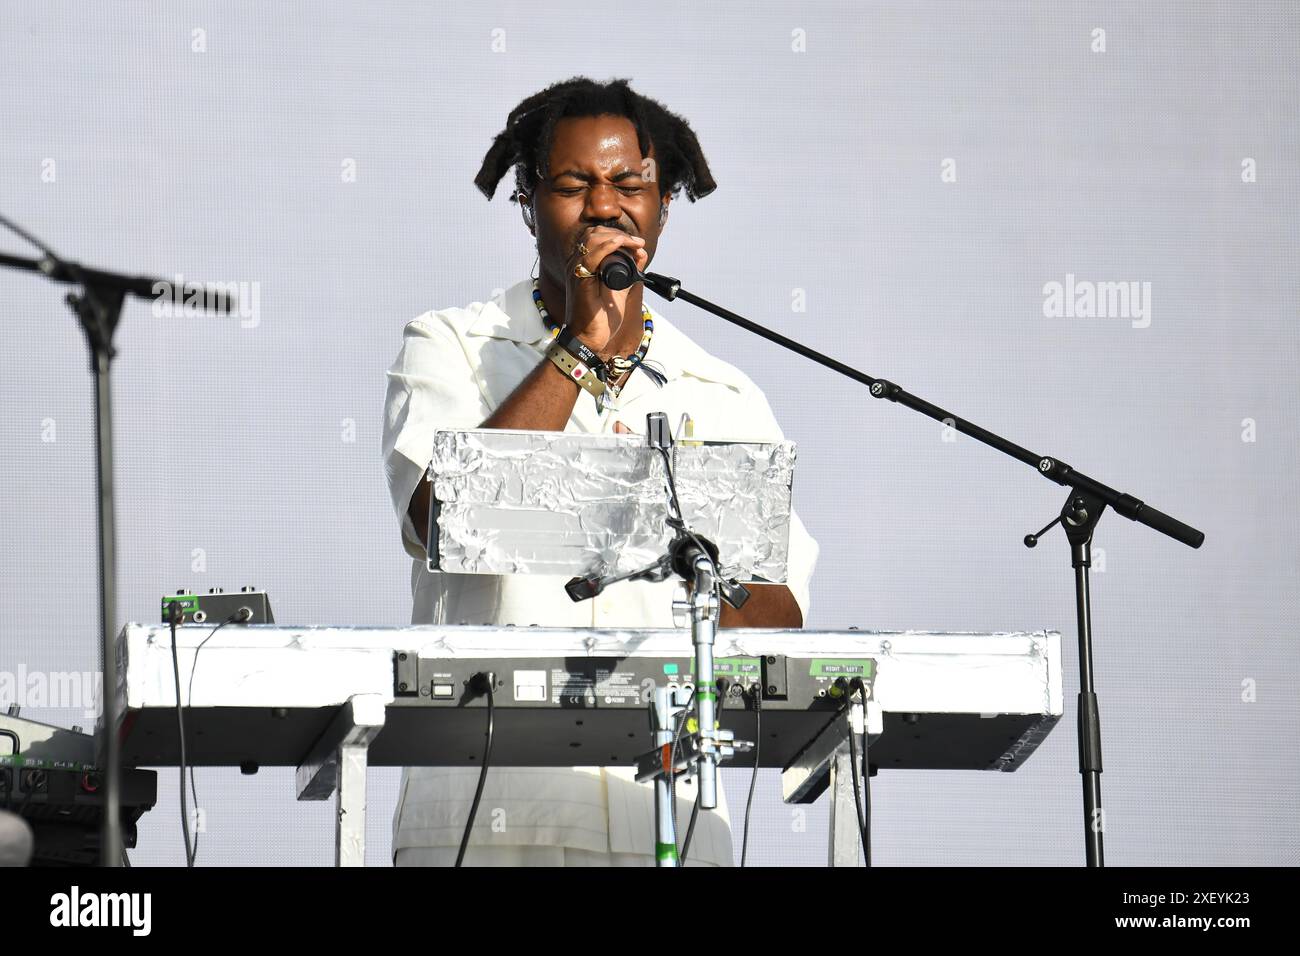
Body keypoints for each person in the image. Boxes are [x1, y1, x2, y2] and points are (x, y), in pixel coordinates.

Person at [382, 76, 818, 866]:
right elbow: (441, 518)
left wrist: (700, 565)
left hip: (674, 821)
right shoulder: (450, 345)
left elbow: (780, 623)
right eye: (574, 185)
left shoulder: (721, 391)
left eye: (629, 184)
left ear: (664, 205)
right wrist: (581, 346)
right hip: (489, 823)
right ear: (527, 201)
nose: (605, 206)